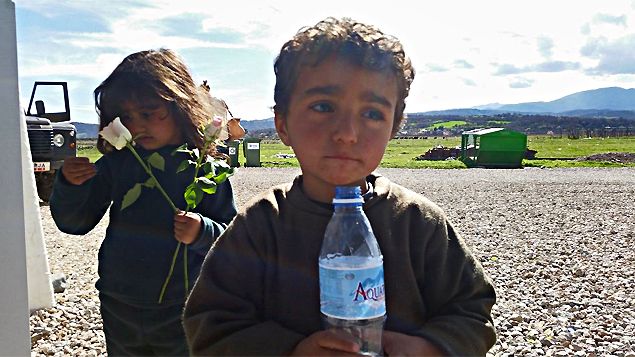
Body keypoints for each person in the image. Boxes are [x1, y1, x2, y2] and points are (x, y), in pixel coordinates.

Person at [183, 17, 496, 356]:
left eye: (373, 114)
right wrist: (291, 351)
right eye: (323, 107)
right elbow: (209, 325)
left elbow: (472, 312)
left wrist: (428, 348)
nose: (347, 132)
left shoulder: (419, 223)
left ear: (393, 128)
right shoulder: (259, 226)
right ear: (283, 124)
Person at [50, 49, 237, 356]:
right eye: (125, 117)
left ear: (181, 108)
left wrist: (202, 231)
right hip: (120, 301)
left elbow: (231, 240)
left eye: (149, 113)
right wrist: (71, 185)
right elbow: (75, 223)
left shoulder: (203, 169)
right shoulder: (119, 163)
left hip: (184, 304)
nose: (136, 126)